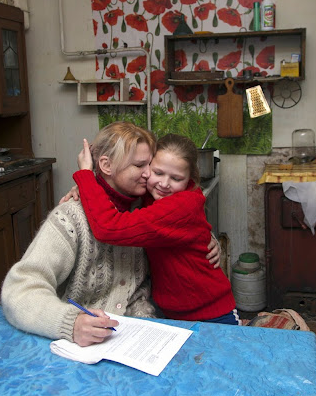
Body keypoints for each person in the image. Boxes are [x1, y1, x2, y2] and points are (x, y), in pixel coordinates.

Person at [0, 121, 220, 347]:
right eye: (140, 165)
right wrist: (70, 323)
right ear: (106, 165)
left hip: (139, 337)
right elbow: (19, 291)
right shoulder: (72, 217)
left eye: (150, 165)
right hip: (80, 345)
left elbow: (180, 221)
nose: (149, 174)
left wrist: (206, 237)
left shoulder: (144, 205)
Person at [73, 133, 238, 325]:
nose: (164, 184)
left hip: (213, 314)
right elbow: (118, 188)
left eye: (176, 178)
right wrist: (85, 186)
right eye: (158, 173)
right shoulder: (151, 194)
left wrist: (85, 175)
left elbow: (108, 228)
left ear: (189, 179)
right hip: (172, 312)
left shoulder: (180, 204)